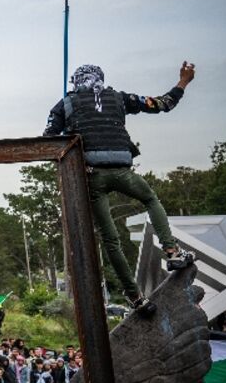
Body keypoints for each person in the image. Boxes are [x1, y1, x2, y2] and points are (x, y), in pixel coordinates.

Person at [44, 61, 197, 311]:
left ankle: (135, 297)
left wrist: (71, 139)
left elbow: (49, 142)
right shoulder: (119, 98)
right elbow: (162, 103)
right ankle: (171, 251)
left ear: (75, 81)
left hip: (92, 175)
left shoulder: (65, 103)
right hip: (122, 169)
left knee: (110, 239)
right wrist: (183, 81)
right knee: (150, 199)